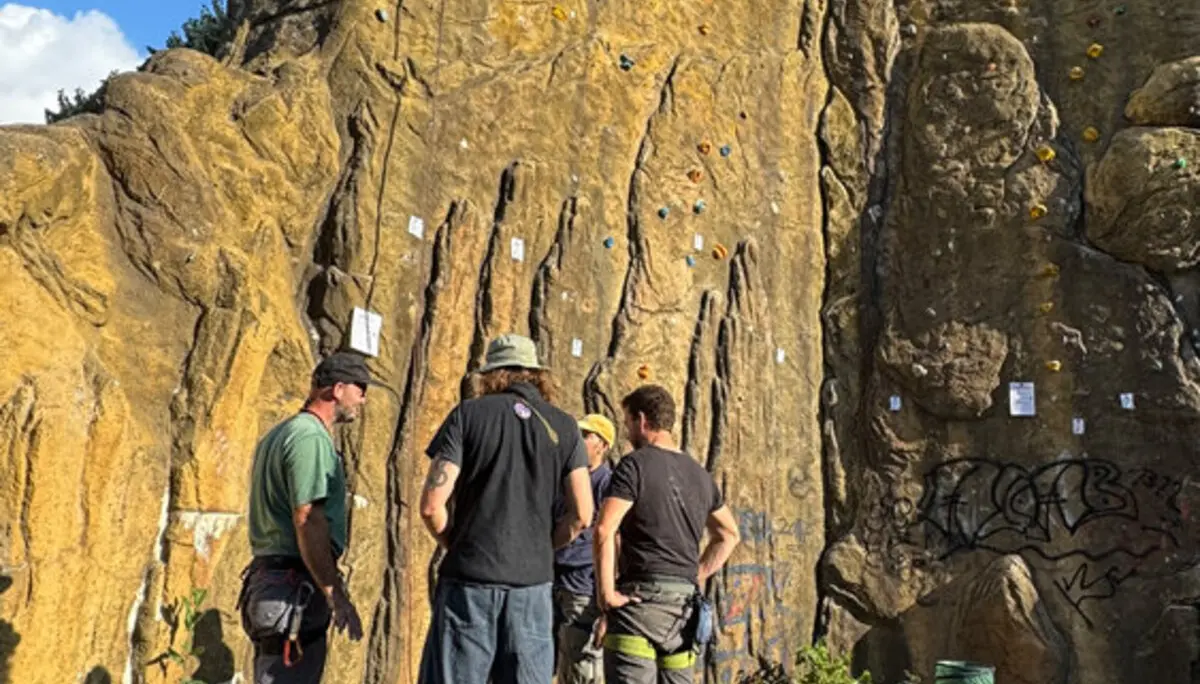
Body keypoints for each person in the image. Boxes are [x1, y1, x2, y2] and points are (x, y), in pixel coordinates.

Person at [417, 333, 595, 684]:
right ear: (536, 374)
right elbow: (583, 515)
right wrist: (544, 546)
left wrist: (458, 543)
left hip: (470, 580)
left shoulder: (468, 415)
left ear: (490, 374)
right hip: (532, 585)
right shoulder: (564, 426)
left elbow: (430, 505)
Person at [238, 352, 375, 683]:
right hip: (291, 589)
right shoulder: (310, 437)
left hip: (273, 585)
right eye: (360, 388)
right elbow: (308, 517)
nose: (364, 398)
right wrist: (334, 591)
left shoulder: (281, 433)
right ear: (337, 388)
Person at [593, 384, 741, 684]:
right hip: (683, 615)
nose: (627, 432)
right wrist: (695, 574)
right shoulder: (700, 475)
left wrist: (606, 594)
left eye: (628, 423)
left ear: (643, 420)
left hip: (639, 606)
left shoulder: (634, 465)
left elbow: (604, 529)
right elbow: (729, 534)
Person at [553, 414, 617, 684]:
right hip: (551, 581)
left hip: (583, 588)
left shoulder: (607, 483)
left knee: (581, 667)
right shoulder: (563, 479)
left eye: (585, 435)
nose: (577, 440)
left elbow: (611, 538)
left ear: (602, 445)